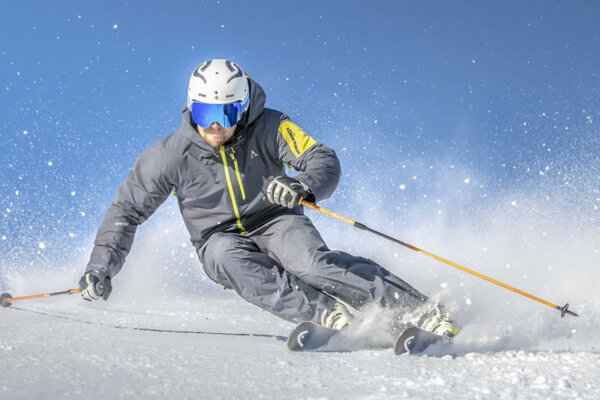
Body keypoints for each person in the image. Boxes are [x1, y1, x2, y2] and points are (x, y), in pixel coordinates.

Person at [79, 58, 457, 337]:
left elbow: (321, 158)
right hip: (218, 237)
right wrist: (101, 266)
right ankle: (326, 316)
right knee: (227, 257)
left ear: (241, 109)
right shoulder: (168, 156)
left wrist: (302, 185)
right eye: (204, 111)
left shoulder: (272, 125)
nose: (213, 125)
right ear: (191, 107)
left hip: (276, 217)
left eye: (225, 114)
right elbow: (126, 210)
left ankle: (419, 312)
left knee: (311, 266)